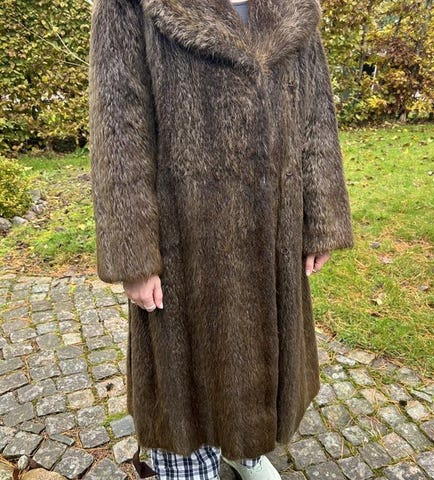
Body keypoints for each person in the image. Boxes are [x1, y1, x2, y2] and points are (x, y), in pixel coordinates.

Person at [88, 0, 355, 478]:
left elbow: (316, 113)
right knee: (184, 381)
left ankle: (244, 447)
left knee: (258, 358)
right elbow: (119, 127)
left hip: (274, 226)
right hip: (183, 234)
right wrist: (134, 255)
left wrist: (322, 217)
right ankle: (190, 464)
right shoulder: (129, 6)